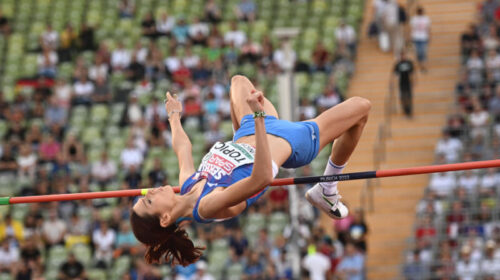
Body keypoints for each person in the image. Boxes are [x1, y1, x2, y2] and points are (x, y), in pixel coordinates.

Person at [130, 75, 371, 266]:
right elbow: (263, 177)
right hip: (290, 142)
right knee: (361, 108)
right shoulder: (206, 206)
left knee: (239, 81)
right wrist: (257, 116)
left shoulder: (188, 184)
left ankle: (324, 187)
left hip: (253, 131)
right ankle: (327, 190)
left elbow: (183, 148)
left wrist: (174, 116)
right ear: (164, 219)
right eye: (149, 202)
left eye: (145, 196)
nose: (149, 192)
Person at [393, 50, 415, 118]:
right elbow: (395, 74)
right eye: (402, 55)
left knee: (409, 97)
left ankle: (409, 110)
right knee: (403, 97)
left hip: (408, 83)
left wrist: (413, 81)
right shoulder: (398, 64)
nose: (403, 57)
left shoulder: (409, 63)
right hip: (401, 83)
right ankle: (405, 109)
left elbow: (412, 73)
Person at [410, 6, 431, 72]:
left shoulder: (426, 18)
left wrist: (429, 36)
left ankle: (423, 66)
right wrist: (410, 37)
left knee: (423, 52)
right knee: (418, 52)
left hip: (424, 37)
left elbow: (428, 28)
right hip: (416, 37)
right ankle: (421, 64)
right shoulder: (414, 19)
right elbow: (411, 28)